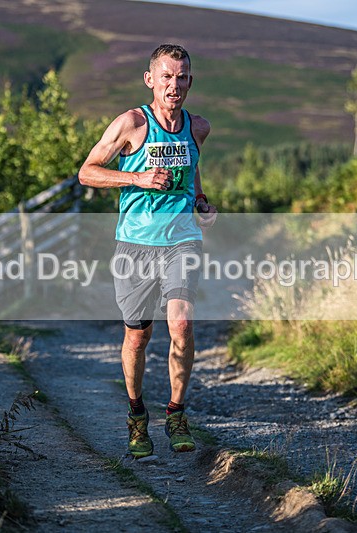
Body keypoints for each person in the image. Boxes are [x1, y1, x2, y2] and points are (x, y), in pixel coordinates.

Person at [78, 43, 217, 457]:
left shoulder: (198, 127)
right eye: (168, 76)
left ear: (190, 81)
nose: (175, 85)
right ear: (150, 79)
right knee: (137, 336)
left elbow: (192, 177)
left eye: (183, 77)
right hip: (135, 244)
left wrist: (202, 204)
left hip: (181, 240)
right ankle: (137, 416)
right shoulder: (132, 123)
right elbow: (87, 172)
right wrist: (135, 179)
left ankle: (176, 413)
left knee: (182, 324)